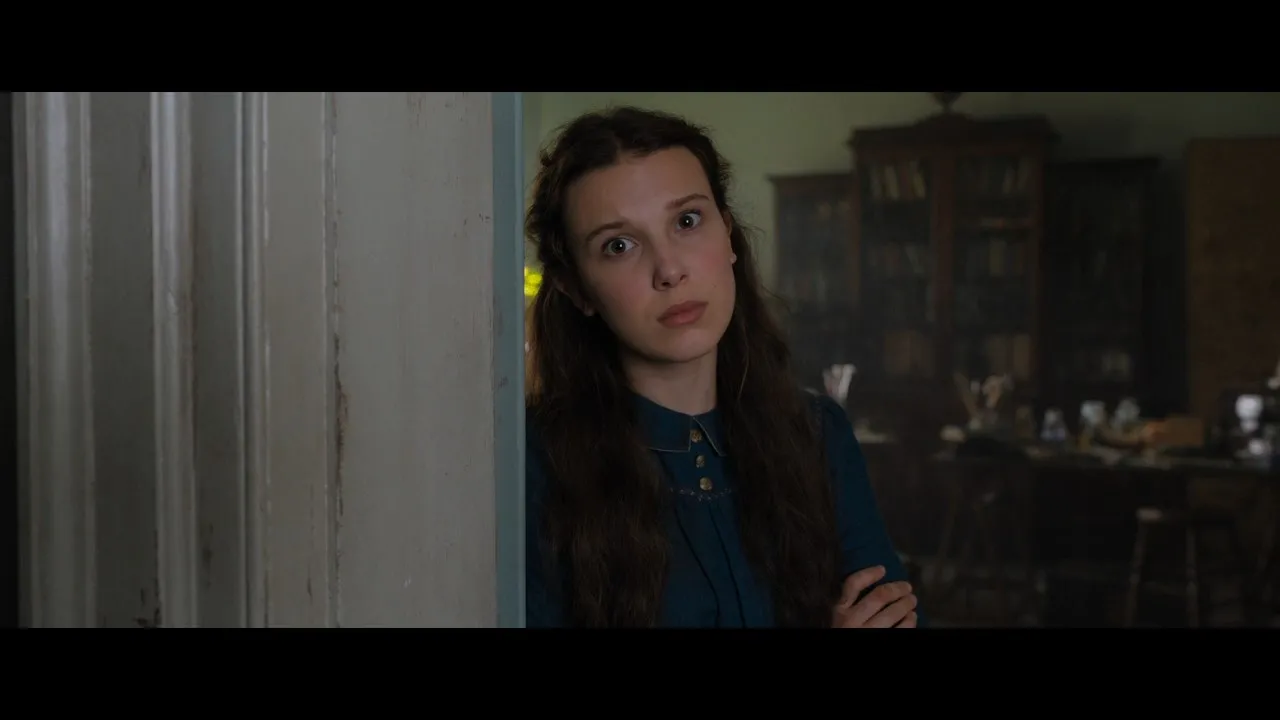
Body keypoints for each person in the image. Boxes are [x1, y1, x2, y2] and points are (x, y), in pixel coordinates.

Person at [523, 106, 919, 628]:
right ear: (577, 288)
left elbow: (891, 614)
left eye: (687, 221)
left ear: (728, 234)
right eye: (619, 245)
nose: (670, 270)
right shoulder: (532, 463)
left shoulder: (818, 435)